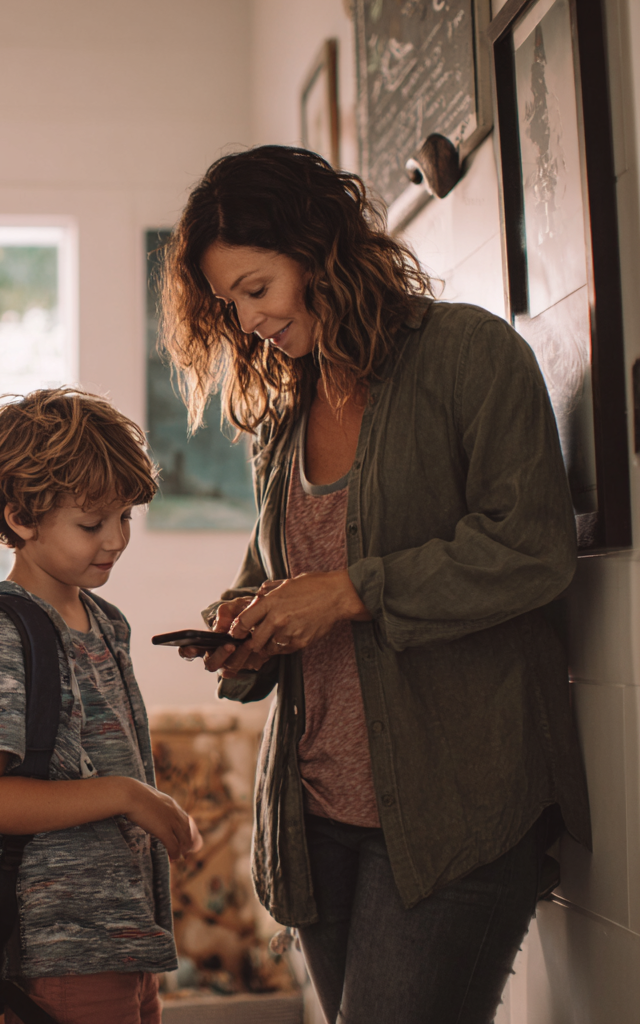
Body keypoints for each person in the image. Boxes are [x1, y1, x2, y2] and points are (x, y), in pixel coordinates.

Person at [161, 145, 590, 1024]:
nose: (246, 322)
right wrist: (244, 621)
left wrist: (350, 592)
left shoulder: (471, 355)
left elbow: (533, 548)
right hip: (317, 821)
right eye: (229, 304)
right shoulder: (286, 415)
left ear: (318, 248)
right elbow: (275, 573)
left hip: (453, 812)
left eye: (255, 288)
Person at [0, 387, 200, 1024]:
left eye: (125, 518)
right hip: (59, 953)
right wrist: (130, 795)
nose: (115, 539)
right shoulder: (7, 638)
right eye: (92, 524)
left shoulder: (103, 622)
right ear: (21, 518)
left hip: (121, 939)